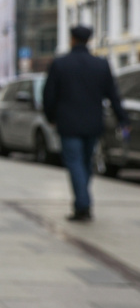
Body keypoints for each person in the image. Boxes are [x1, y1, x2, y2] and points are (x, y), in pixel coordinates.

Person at [43, 25, 130, 222]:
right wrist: (123, 118)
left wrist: (51, 117)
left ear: (72, 39)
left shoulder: (60, 64)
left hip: (68, 124)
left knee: (75, 163)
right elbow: (113, 95)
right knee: (85, 163)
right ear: (88, 40)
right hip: (93, 124)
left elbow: (49, 95)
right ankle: (81, 203)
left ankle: (83, 205)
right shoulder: (101, 64)